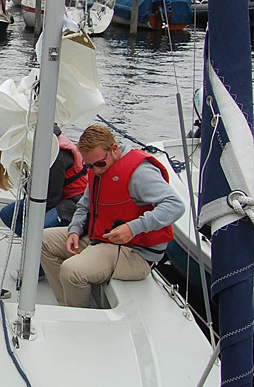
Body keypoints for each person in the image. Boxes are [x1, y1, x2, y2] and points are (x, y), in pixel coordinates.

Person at [39, 124, 185, 308]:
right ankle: (67, 304)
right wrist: (74, 230)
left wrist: (133, 228)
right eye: (89, 166)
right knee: (41, 239)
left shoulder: (140, 173)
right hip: (101, 239)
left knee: (71, 270)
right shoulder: (97, 169)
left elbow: (175, 205)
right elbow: (84, 205)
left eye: (100, 164)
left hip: (134, 252)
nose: (96, 170)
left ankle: (79, 318)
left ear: (114, 149)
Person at [0, 125, 88, 236]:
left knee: (37, 231)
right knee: (7, 215)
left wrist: (33, 219)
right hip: (52, 197)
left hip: (71, 201)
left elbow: (52, 199)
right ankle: (30, 243)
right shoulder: (43, 149)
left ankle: (39, 244)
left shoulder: (57, 156)